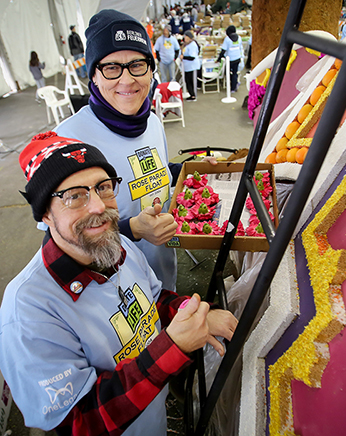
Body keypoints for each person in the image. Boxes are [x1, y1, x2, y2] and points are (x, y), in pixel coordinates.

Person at [0, 131, 238, 435]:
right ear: (45, 213)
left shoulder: (120, 245)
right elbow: (79, 422)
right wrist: (173, 346)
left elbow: (152, 301)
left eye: (104, 187)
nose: (99, 206)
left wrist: (195, 312)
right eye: (74, 196)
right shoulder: (28, 311)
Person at [56, 10, 182, 292]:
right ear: (94, 77)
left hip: (163, 275)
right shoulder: (68, 138)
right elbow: (60, 240)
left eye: (137, 64)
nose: (127, 80)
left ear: (151, 69)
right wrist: (133, 230)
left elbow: (156, 170)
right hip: (113, 291)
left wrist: (195, 169)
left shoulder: (152, 122)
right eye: (112, 67)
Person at [217, 25, 243, 93]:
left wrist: (218, 59)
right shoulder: (239, 38)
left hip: (230, 59)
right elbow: (240, 48)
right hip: (237, 58)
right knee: (235, 73)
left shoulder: (227, 39)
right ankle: (234, 86)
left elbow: (223, 50)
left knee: (228, 73)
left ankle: (231, 87)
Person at [181, 30, 200, 101]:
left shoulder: (192, 45)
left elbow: (192, 57)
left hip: (192, 66)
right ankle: (191, 94)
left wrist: (183, 57)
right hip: (187, 67)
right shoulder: (186, 44)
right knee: (187, 81)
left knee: (191, 81)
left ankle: (193, 95)